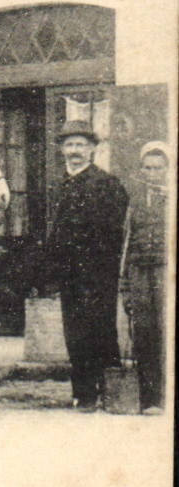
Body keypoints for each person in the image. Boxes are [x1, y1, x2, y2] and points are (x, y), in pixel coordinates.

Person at [41, 121, 128, 411]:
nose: (75, 151)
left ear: (92, 149)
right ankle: (84, 394)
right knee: (75, 334)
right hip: (69, 276)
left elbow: (114, 233)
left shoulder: (107, 184)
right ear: (61, 149)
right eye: (69, 145)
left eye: (80, 145)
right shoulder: (59, 185)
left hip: (97, 274)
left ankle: (113, 392)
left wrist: (100, 269)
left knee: (101, 331)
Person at [121, 140, 170, 414]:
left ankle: (166, 397)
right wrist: (126, 287)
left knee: (166, 333)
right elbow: (126, 244)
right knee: (144, 334)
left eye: (158, 168)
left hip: (166, 273)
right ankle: (149, 399)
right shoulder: (136, 201)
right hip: (140, 273)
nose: (153, 173)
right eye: (148, 168)